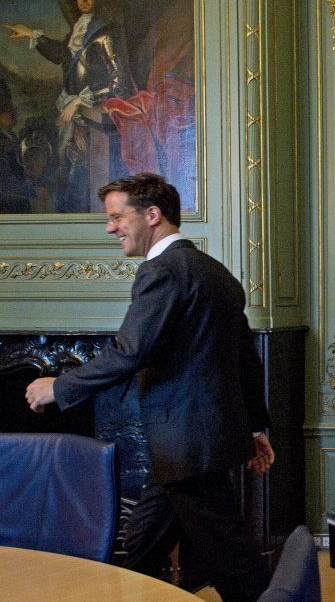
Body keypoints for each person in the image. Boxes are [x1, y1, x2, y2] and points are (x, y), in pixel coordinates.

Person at [25, 173, 273, 602]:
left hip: (187, 444)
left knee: (234, 562)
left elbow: (128, 351)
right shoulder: (216, 272)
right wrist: (254, 428)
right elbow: (245, 360)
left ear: (152, 215)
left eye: (118, 216)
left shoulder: (162, 271)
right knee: (142, 545)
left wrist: (59, 386)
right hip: (191, 444)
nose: (110, 227)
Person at [5, 0, 135, 211]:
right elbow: (62, 55)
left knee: (87, 188)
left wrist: (79, 100)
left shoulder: (105, 32)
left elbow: (120, 85)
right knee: (68, 184)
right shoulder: (79, 28)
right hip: (73, 123)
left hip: (97, 125)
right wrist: (30, 33)